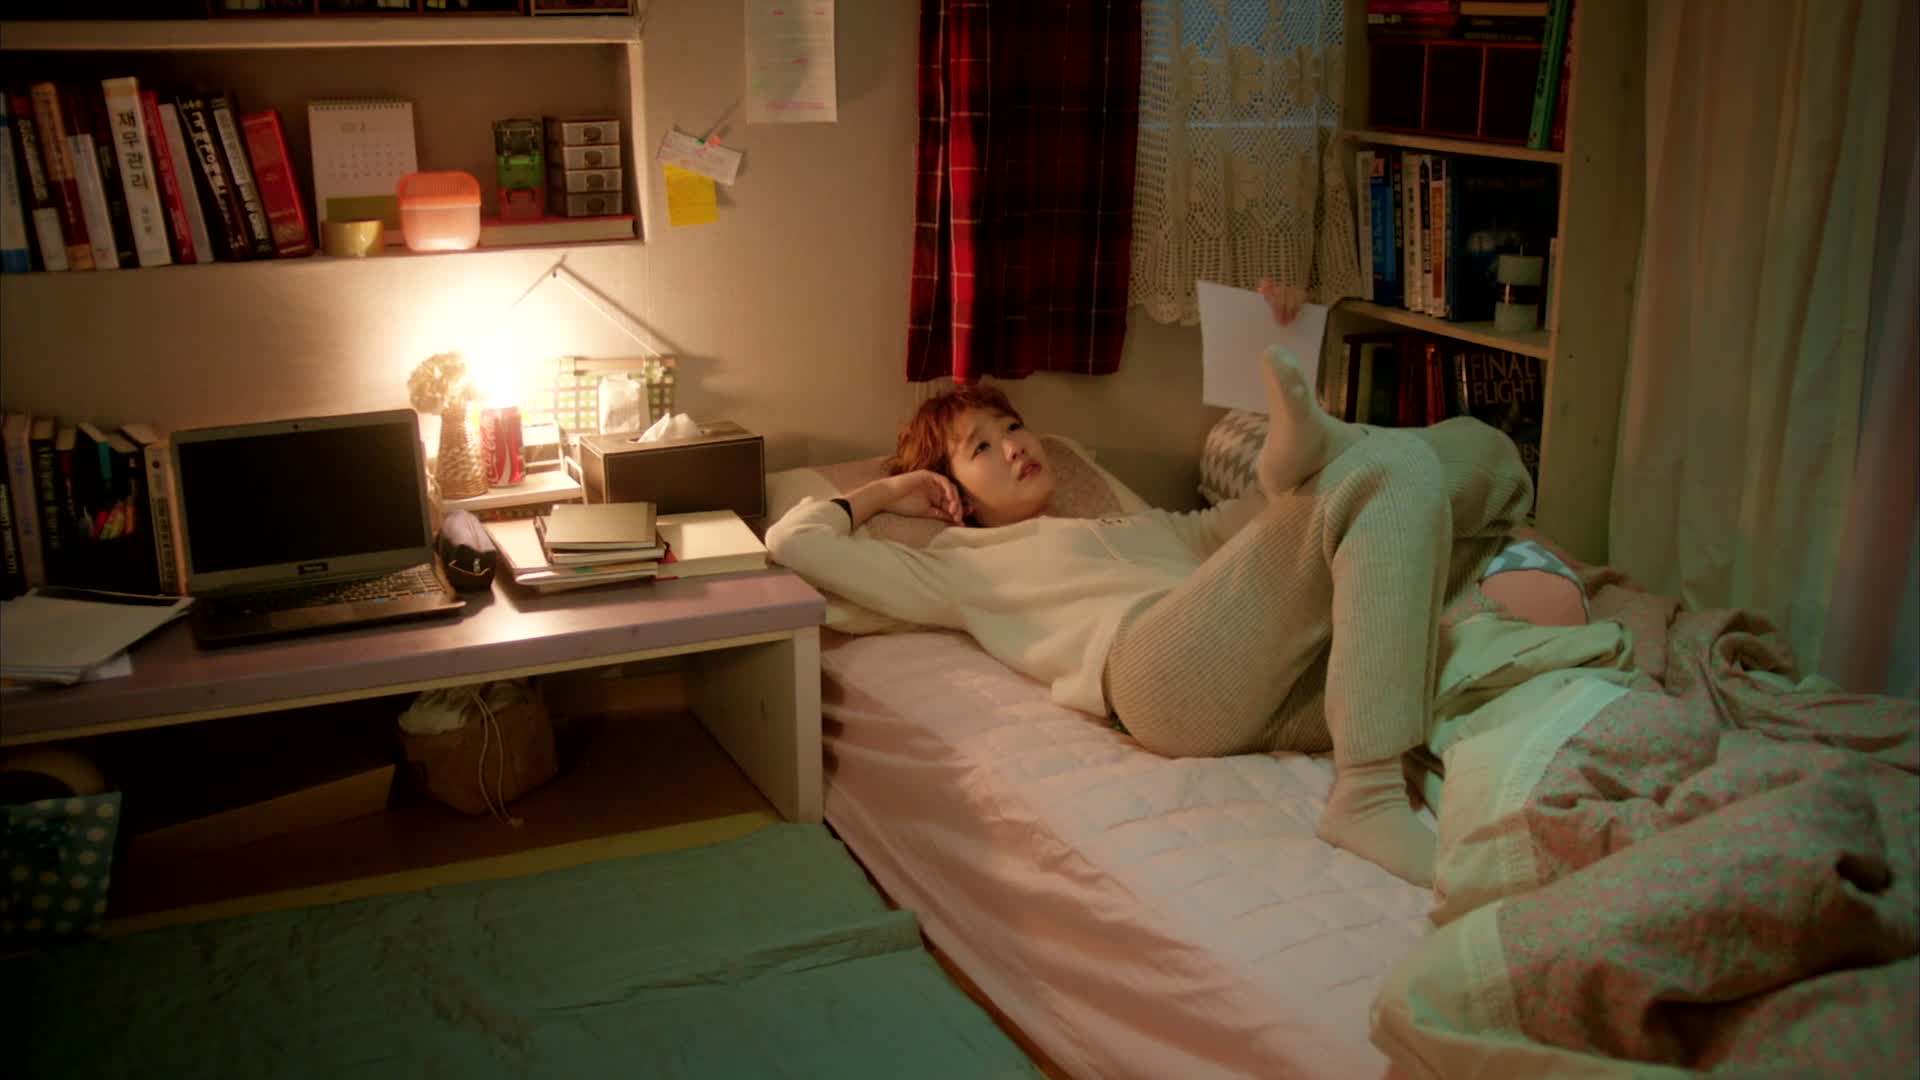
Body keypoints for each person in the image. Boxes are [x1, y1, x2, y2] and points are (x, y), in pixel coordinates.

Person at [765, 283, 1536, 886]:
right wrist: (887, 493)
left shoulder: (1134, 524)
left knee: (1479, 449)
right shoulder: (958, 565)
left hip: (1263, 680)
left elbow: (1258, 534)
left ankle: (1315, 456)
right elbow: (796, 543)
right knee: (1382, 471)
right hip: (1155, 674)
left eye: (1012, 428)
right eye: (980, 449)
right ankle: (1368, 796)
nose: (1014, 448)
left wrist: (1289, 484)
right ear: (952, 489)